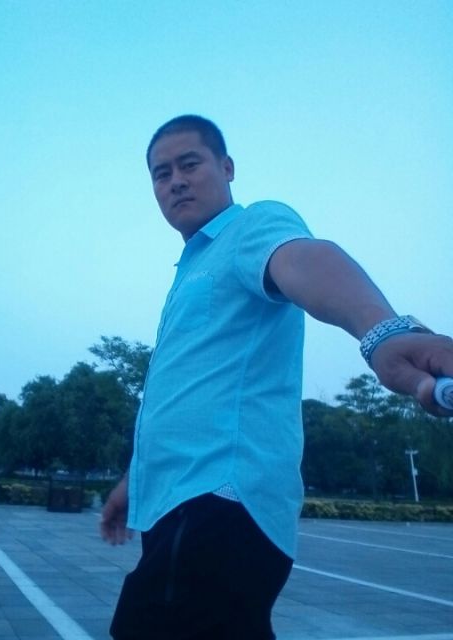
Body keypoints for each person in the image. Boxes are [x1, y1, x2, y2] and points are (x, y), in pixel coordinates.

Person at [100, 114, 453, 640]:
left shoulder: (251, 227)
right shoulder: (191, 269)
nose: (175, 181)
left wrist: (381, 331)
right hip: (179, 504)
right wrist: (136, 479)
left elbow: (304, 260)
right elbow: (185, 394)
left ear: (227, 167)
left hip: (219, 500)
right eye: (161, 173)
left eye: (189, 164)